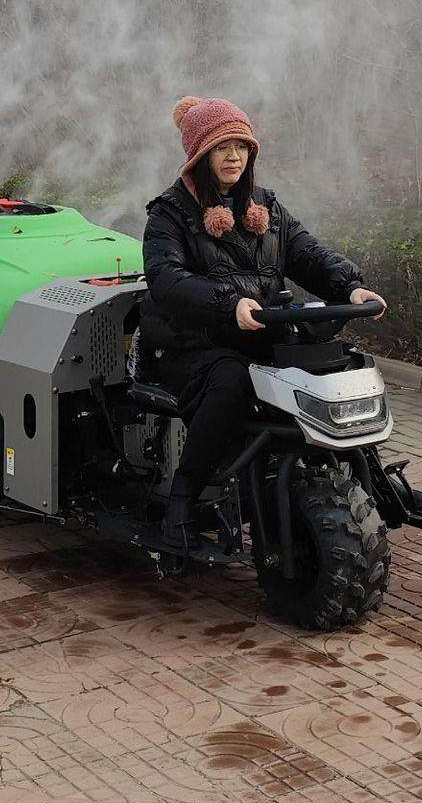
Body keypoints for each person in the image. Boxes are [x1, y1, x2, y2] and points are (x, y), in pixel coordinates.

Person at [140, 96, 386, 547]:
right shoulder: (170, 213)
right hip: (187, 343)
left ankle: (368, 482)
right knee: (231, 381)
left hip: (254, 333)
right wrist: (227, 303)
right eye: (221, 147)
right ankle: (182, 503)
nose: (234, 155)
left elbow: (306, 253)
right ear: (199, 156)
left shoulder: (265, 207)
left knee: (334, 366)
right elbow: (166, 279)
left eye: (242, 145)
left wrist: (349, 287)